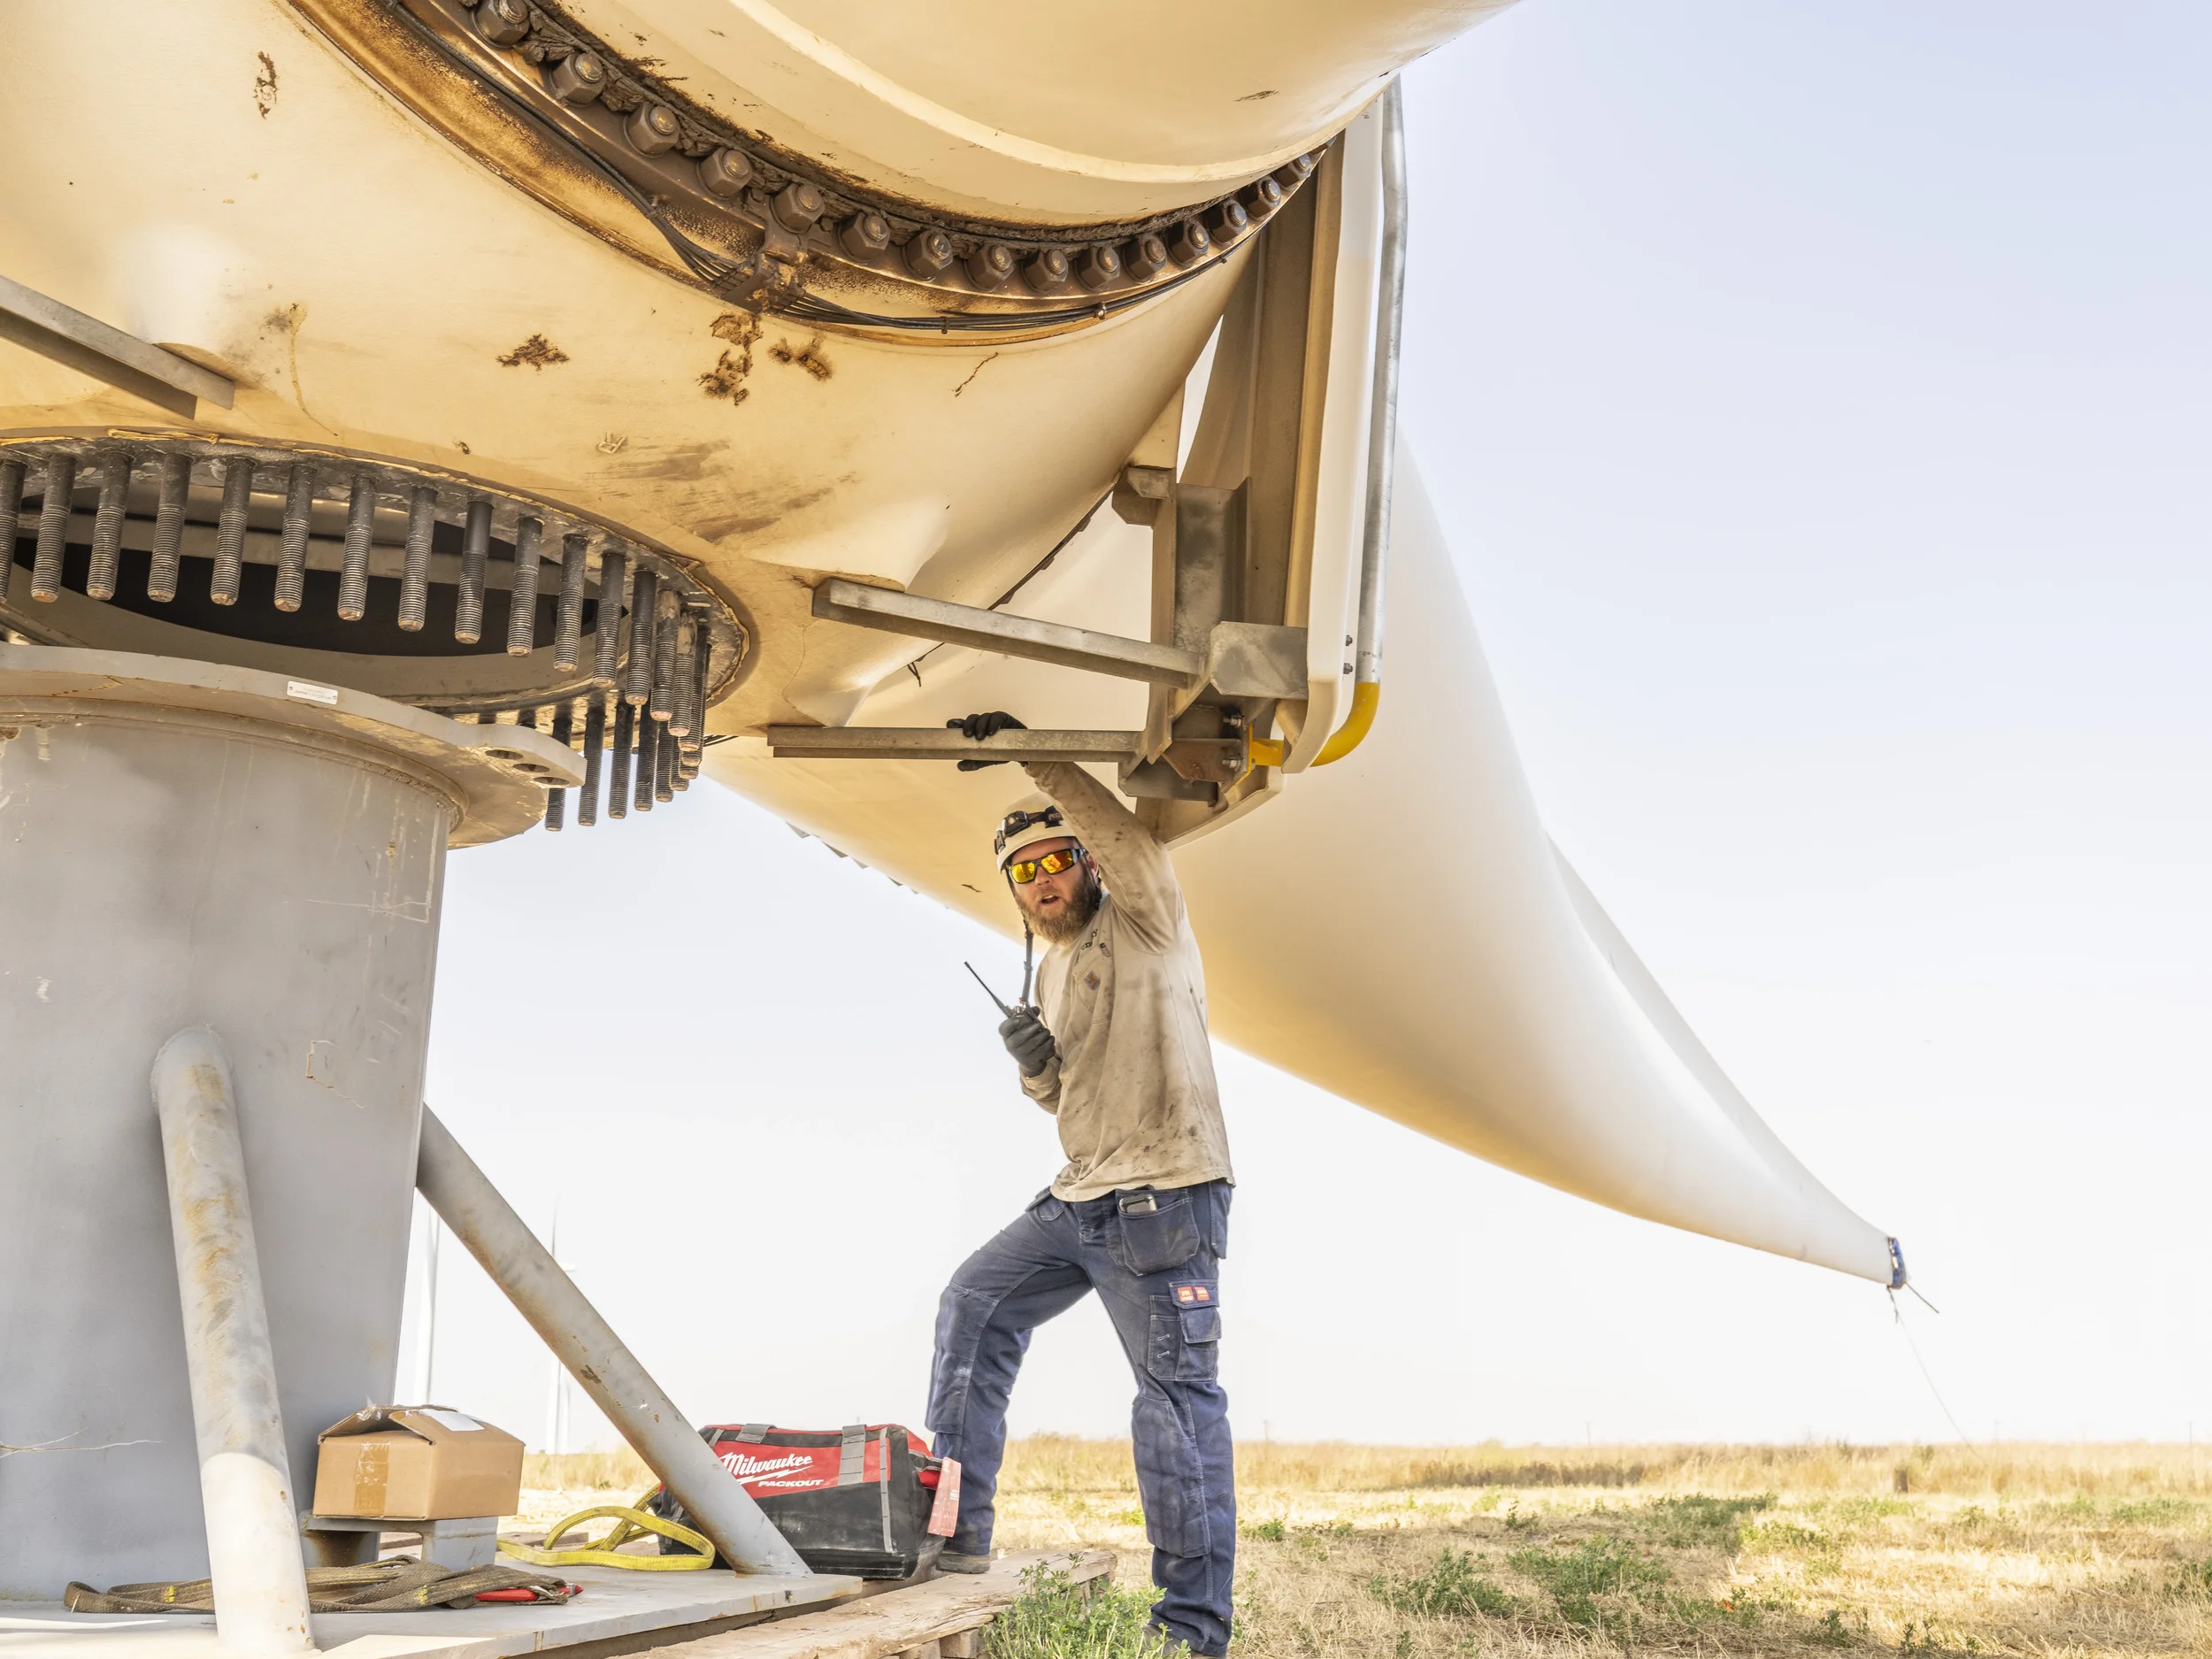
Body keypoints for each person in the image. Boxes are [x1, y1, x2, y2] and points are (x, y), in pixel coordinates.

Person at [925, 711, 1235, 1658]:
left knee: (1172, 1407)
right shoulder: (1054, 967)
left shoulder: (1146, 918)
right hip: (1080, 1197)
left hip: (1162, 1199)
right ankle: (954, 1540)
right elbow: (1063, 1094)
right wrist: (1031, 1065)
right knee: (973, 1305)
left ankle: (1191, 1635)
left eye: (1056, 860)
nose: (1044, 880)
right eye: (1024, 873)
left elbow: (1129, 837)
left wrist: (1037, 752)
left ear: (1088, 866)